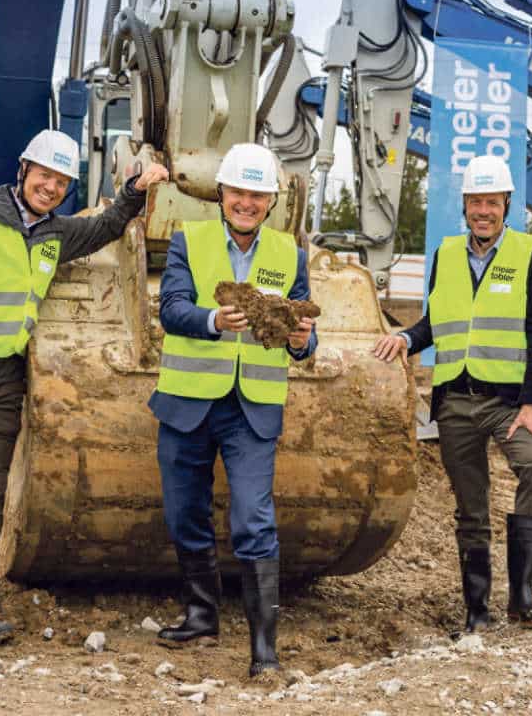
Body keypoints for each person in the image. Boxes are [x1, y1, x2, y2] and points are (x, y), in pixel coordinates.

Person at [0, 130, 168, 643]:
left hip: (4, 380)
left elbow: (111, 224)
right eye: (44, 175)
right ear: (24, 169)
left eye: (61, 181)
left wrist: (137, 188)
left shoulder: (56, 233)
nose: (50, 187)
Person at [372, 154, 532, 633]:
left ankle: (522, 597)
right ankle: (477, 611)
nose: (483, 210)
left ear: (506, 205)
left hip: (509, 403)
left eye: (491, 202)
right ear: (465, 205)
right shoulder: (447, 254)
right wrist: (407, 339)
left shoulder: (531, 255)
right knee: (471, 509)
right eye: (475, 201)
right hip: (456, 401)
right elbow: (438, 322)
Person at [150, 143, 317, 678]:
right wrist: (213, 323)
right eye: (238, 192)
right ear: (221, 194)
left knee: (253, 518)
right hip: (187, 402)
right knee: (183, 514)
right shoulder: (188, 242)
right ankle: (201, 613)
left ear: (271, 202)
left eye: (257, 195)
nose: (247, 202)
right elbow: (171, 310)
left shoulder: (289, 253)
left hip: (252, 410)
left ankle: (264, 650)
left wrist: (301, 340)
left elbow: (303, 340)